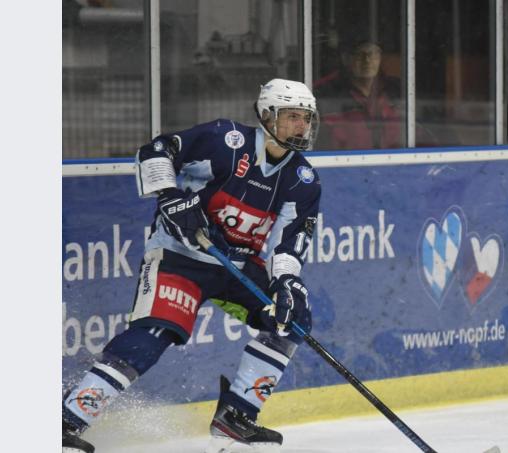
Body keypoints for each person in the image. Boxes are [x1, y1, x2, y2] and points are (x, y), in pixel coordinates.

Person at [62, 79, 321, 453]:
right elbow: (156, 150)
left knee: (290, 317)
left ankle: (237, 415)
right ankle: (67, 419)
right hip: (179, 259)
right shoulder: (225, 140)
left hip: (235, 266)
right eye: (292, 116)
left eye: (307, 118)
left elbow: (290, 239)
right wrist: (170, 197)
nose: (302, 126)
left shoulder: (303, 179)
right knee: (153, 335)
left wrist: (286, 281)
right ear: (266, 115)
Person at [314, 37, 405, 150]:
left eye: (373, 54)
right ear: (345, 58)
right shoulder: (325, 92)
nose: (367, 60)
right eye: (359, 54)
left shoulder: (396, 89)